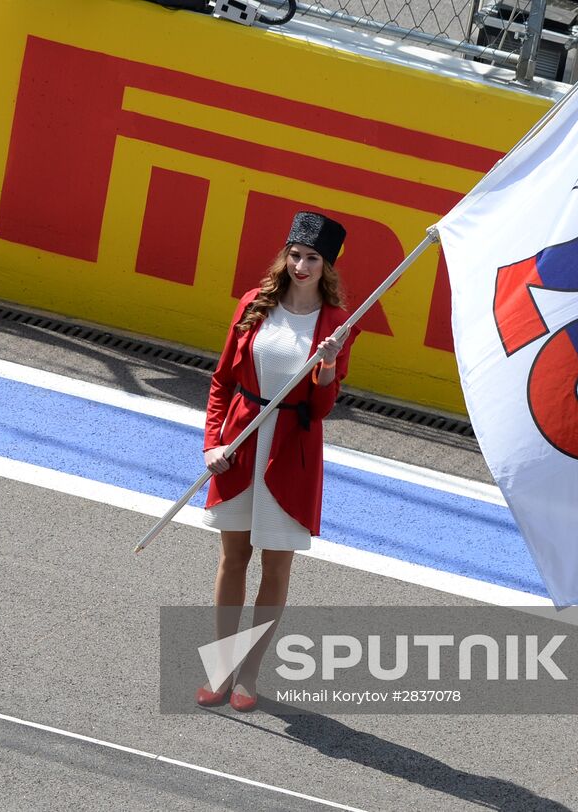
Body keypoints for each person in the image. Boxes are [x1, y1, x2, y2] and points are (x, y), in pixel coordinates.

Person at [196, 211, 358, 712]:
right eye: (295, 255)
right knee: (233, 558)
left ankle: (250, 672)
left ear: (326, 266)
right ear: (285, 256)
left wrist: (327, 366)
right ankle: (221, 665)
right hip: (240, 445)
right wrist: (211, 444)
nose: (301, 265)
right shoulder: (253, 305)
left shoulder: (336, 325)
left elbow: (321, 409)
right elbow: (223, 380)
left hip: (293, 454)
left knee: (275, 569)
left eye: (312, 258)